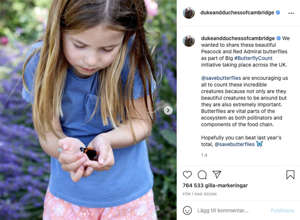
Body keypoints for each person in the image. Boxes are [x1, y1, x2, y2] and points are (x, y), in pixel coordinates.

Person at [22, 0, 158, 219]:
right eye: (79, 45)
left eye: (107, 49)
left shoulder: (132, 59)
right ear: (60, 29)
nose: (91, 60)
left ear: (126, 37)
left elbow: (141, 122)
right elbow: (48, 132)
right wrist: (64, 148)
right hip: (67, 200)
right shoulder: (41, 63)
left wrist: (107, 140)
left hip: (130, 200)